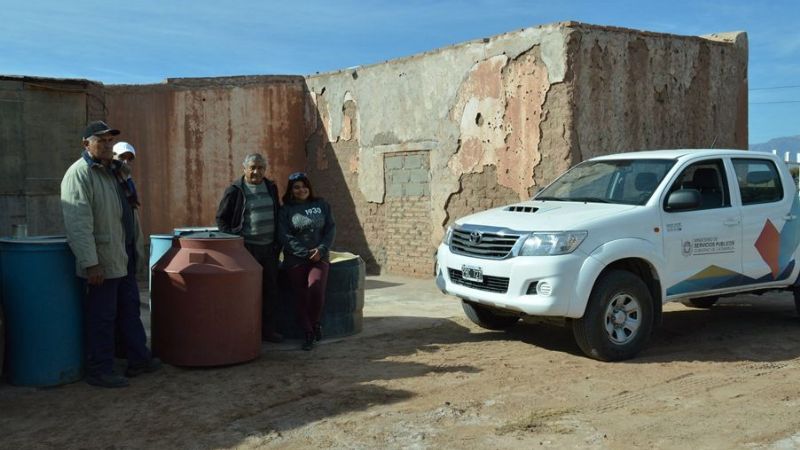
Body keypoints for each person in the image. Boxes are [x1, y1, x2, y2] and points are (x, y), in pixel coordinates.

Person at [60, 121, 161, 388]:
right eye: (100, 140)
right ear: (86, 144)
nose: (106, 145)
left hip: (123, 253)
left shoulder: (114, 172)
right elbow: (78, 224)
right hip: (102, 258)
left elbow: (127, 212)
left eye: (109, 141)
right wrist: (91, 263)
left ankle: (139, 358)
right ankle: (100, 369)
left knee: (129, 309)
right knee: (102, 316)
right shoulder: (80, 174)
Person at [216, 153, 284, 343]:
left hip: (269, 249)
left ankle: (268, 331)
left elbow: (276, 211)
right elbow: (221, 219)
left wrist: (277, 244)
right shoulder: (235, 190)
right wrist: (235, 241)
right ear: (244, 168)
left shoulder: (271, 187)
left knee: (270, 290)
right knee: (246, 292)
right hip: (247, 250)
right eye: (252, 167)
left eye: (261, 167)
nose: (256, 171)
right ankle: (245, 331)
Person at [278, 172, 336, 351]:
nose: (301, 190)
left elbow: (330, 228)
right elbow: (284, 235)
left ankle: (316, 323)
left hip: (320, 257)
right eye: (296, 187)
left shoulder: (321, 204)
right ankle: (308, 332)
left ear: (309, 188)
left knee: (316, 287)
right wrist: (304, 252)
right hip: (295, 260)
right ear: (291, 190)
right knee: (301, 295)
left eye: (304, 186)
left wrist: (321, 250)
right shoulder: (285, 210)